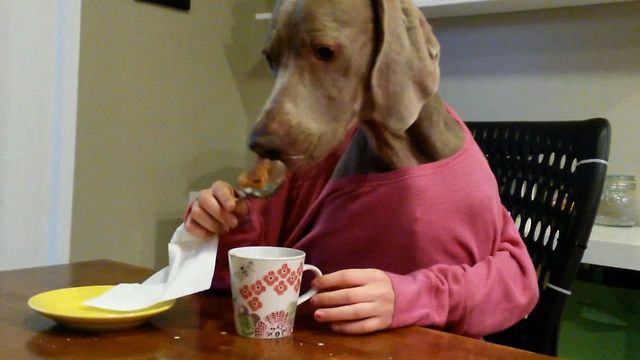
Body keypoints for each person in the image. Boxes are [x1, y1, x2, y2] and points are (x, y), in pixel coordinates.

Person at [181, 105, 539, 338]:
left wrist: (415, 297)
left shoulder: (452, 162)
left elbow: (518, 281)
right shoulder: (301, 149)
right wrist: (219, 226)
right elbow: (233, 274)